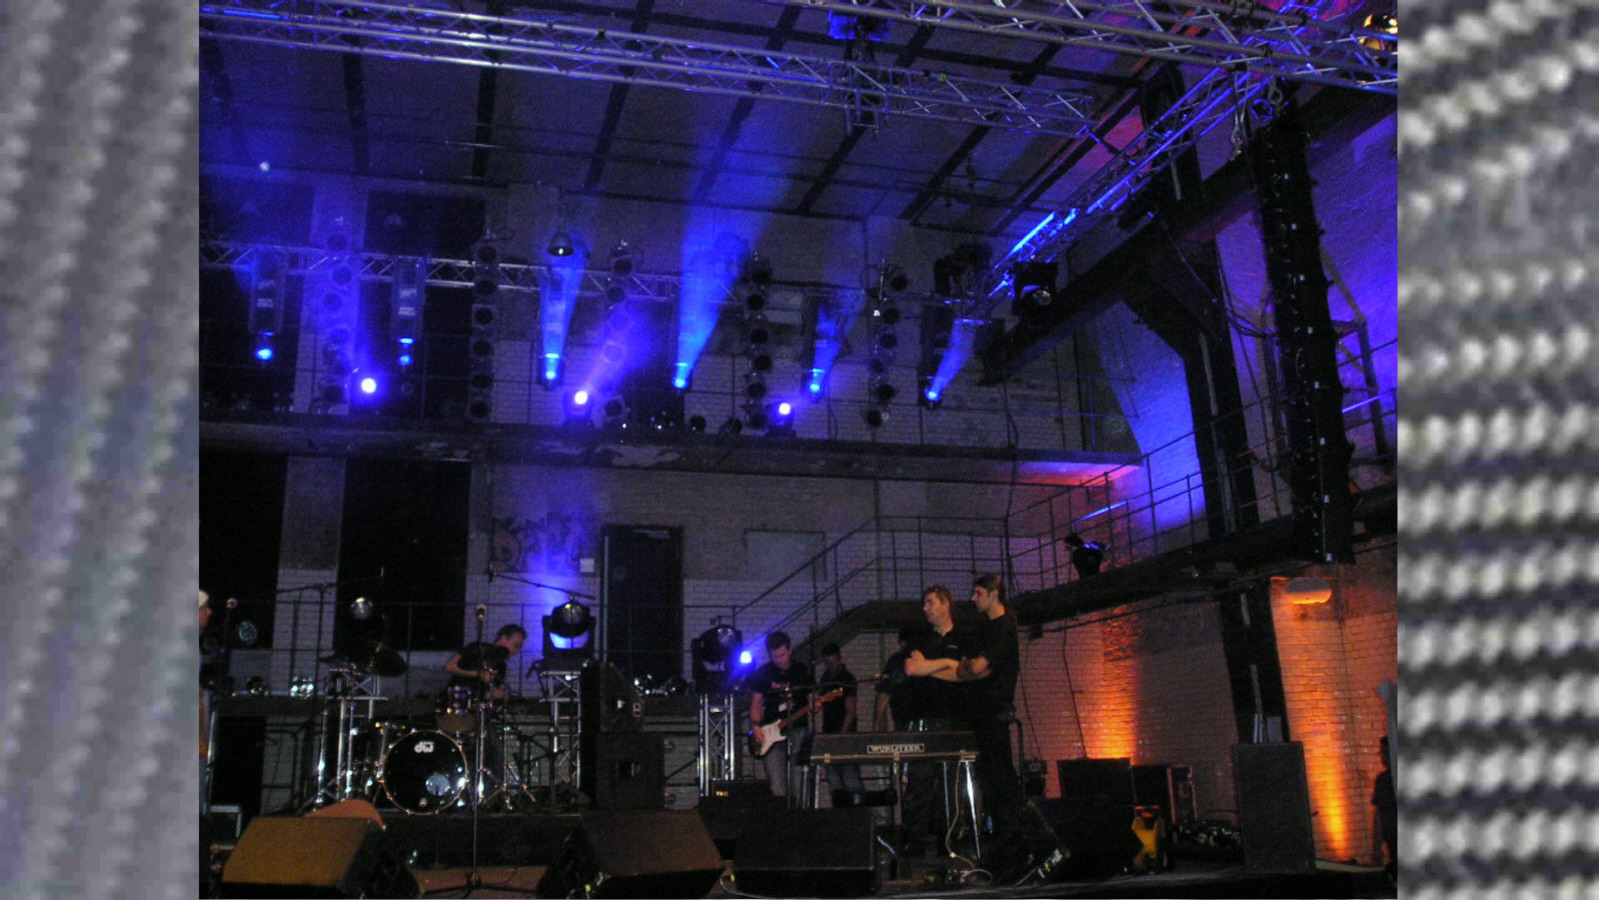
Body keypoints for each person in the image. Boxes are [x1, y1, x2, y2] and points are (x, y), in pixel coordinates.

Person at [955, 574, 1025, 871]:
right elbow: (966, 668)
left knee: (1000, 776)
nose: (973, 599)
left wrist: (975, 669)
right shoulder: (984, 628)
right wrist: (973, 669)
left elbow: (978, 666)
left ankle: (1013, 841)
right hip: (981, 711)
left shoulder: (1005, 627)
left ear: (994, 594)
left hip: (995, 710)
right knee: (988, 777)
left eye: (978, 593)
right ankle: (1003, 842)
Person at [898, 586, 968, 856]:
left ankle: (949, 842)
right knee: (919, 783)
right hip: (924, 718)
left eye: (930, 603)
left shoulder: (963, 636)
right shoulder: (920, 637)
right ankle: (914, 842)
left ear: (945, 603)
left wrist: (930, 666)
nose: (925, 608)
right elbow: (912, 668)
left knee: (951, 783)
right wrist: (947, 664)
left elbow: (963, 673)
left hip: (953, 718)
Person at [443, 623, 526, 791]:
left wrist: (498, 693)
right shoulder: (477, 648)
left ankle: (491, 794)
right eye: (515, 645)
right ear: (503, 638)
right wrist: (477, 674)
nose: (516, 651)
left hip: (479, 712)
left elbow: (490, 691)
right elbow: (450, 667)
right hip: (456, 706)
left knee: (493, 753)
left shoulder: (501, 666)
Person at [747, 631, 814, 800]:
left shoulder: (801, 671)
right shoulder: (763, 673)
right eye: (774, 656)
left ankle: (798, 811)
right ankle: (781, 811)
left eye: (782, 655)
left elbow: (812, 698)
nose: (778, 660)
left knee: (798, 779)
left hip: (797, 727)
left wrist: (815, 704)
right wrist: (756, 726)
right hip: (771, 728)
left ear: (789, 651)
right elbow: (756, 703)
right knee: (776, 782)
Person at [814, 643, 865, 803]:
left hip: (845, 734)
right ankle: (839, 809)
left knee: (850, 775)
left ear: (839, 659)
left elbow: (851, 710)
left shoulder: (847, 679)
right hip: (829, 732)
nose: (831, 667)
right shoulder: (825, 678)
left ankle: (858, 810)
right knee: (833, 777)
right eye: (828, 663)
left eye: (833, 663)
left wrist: (842, 734)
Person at [873, 624, 924, 732]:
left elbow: (884, 694)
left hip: (903, 717)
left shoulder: (896, 660)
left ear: (902, 642)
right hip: (929, 717)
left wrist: (877, 723)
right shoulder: (928, 660)